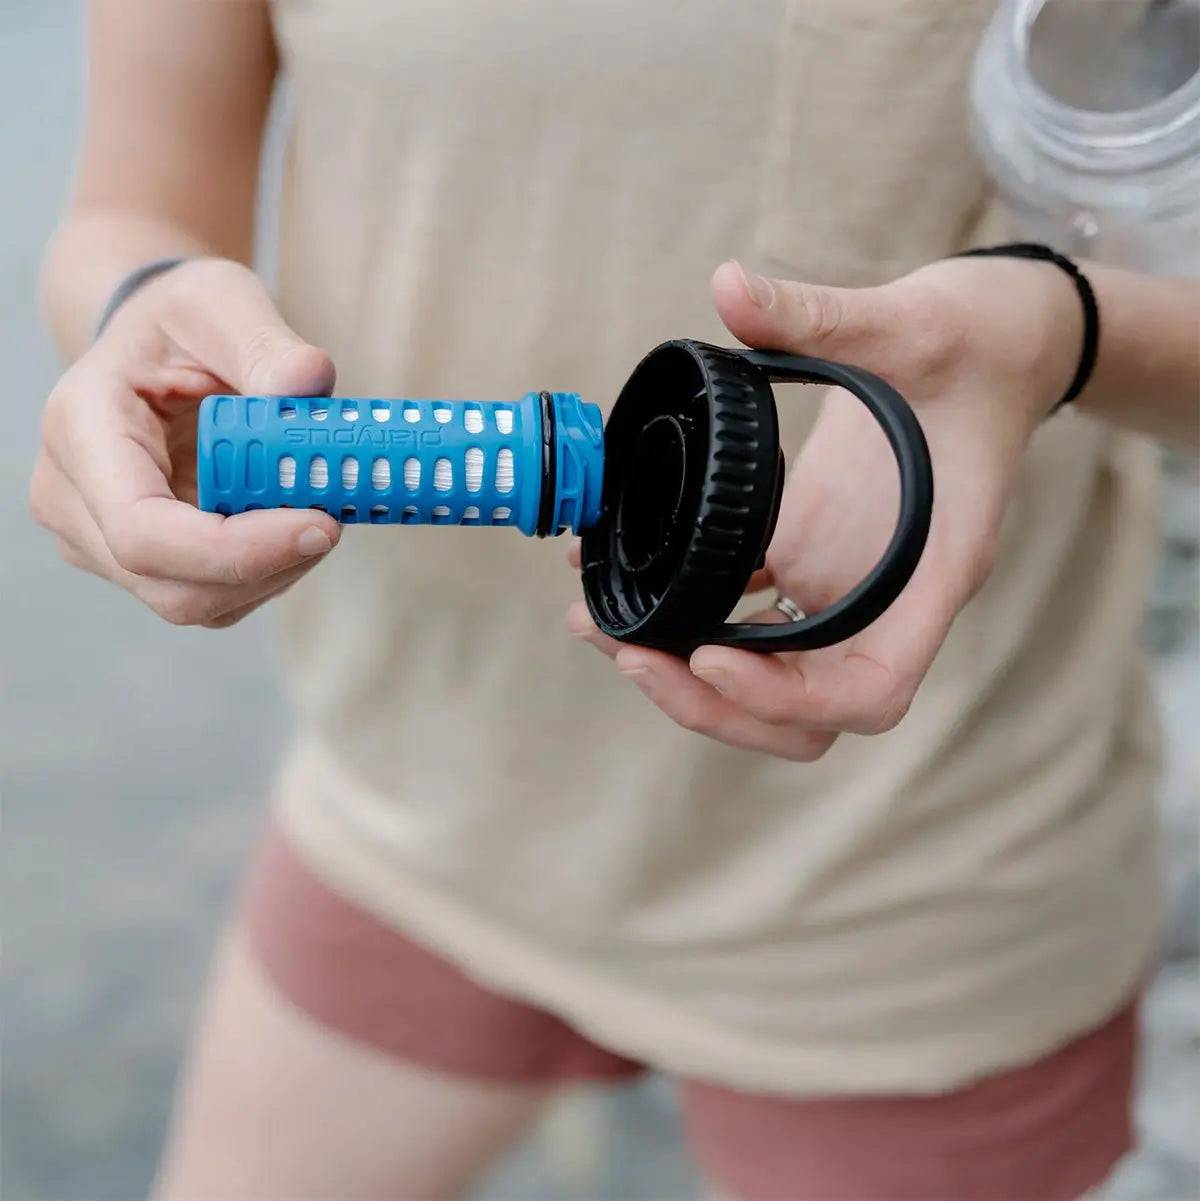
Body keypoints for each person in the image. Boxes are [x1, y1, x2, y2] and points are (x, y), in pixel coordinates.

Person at [30, 3, 1198, 1199]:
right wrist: (139, 319)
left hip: (924, 874)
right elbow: (131, 207)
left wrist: (1061, 327)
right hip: (418, 801)